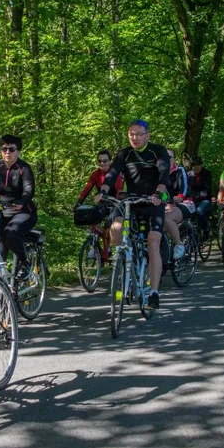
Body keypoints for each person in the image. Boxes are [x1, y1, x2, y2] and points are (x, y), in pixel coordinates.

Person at [97, 119, 171, 309]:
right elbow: (112, 173)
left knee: (153, 241)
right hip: (132, 201)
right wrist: (104, 190)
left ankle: (154, 292)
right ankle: (124, 259)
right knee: (115, 229)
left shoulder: (158, 151)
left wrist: (158, 193)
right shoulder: (125, 153)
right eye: (131, 134)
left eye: (138, 134)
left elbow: (164, 174)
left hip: (153, 201)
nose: (134, 138)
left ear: (147, 135)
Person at [0, 134, 37, 282]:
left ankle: (25, 263)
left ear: (18, 151)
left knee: (11, 232)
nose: (7, 152)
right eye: (4, 149)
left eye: (11, 149)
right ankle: (0, 287)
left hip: (24, 212)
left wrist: (21, 201)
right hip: (3, 211)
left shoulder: (24, 168)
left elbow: (29, 189)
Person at [162, 148, 187, 260]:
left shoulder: (180, 170)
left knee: (167, 218)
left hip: (184, 203)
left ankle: (179, 245)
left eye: (169, 157)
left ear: (174, 159)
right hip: (166, 204)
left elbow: (185, 187)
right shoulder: (160, 172)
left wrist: (180, 197)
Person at [188, 155, 214, 240]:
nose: (196, 167)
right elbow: (186, 188)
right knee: (188, 214)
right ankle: (191, 238)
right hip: (193, 199)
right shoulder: (188, 174)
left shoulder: (207, 173)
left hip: (205, 199)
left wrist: (203, 193)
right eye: (194, 165)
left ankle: (206, 230)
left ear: (201, 165)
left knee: (199, 211)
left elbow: (208, 187)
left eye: (198, 165)